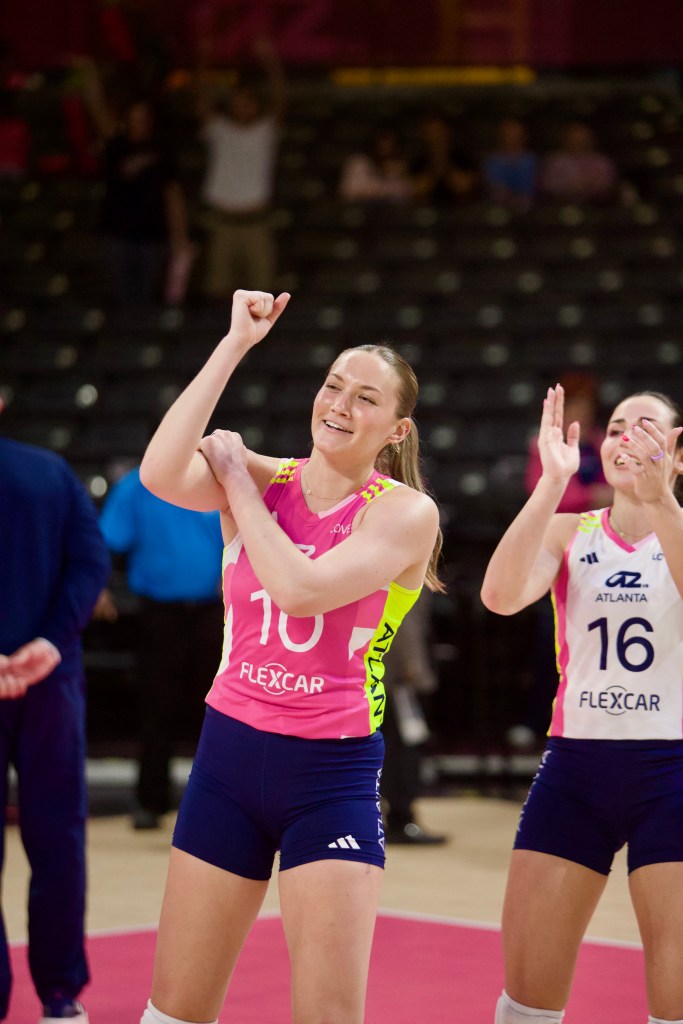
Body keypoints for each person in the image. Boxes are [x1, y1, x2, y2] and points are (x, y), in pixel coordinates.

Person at [135, 288, 443, 1024]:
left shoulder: (405, 512)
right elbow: (159, 473)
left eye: (365, 398)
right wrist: (234, 345)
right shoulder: (268, 478)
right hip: (228, 759)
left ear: (396, 428)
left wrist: (238, 485)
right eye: (333, 385)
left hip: (329, 774)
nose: (340, 404)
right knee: (172, 1011)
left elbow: (301, 592)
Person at [481, 384, 683, 1024]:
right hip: (575, 770)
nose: (628, 440)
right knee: (525, 1000)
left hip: (672, 773)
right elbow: (499, 597)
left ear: (678, 454)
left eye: (647, 430)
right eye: (617, 428)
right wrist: (550, 486)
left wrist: (662, 502)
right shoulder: (569, 532)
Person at [0, 397, 111, 1024]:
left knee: (59, 839)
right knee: (58, 838)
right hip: (52, 678)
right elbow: (91, 563)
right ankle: (61, 996)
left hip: (46, 676)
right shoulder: (50, 472)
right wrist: (50, 642)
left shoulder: (49, 472)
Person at [98, 466, 224, 830]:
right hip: (159, 612)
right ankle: (150, 802)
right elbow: (107, 541)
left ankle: (217, 805)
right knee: (156, 706)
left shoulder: (219, 479)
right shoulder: (137, 486)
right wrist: (99, 586)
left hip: (215, 611)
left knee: (218, 709)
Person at [508, 372, 613, 749]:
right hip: (561, 555)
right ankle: (536, 718)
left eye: (586, 406)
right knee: (549, 642)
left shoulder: (603, 444)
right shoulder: (546, 448)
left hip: (605, 554)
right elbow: (545, 496)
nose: (580, 413)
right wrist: (592, 495)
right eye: (574, 406)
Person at [74, 55, 193, 306]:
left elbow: (173, 195)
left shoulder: (162, 151)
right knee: (120, 297)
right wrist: (89, 75)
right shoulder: (116, 145)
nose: (139, 123)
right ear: (126, 119)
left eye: (144, 118)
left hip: (153, 237)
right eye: (134, 118)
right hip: (117, 234)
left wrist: (179, 237)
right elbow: (96, 107)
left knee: (147, 298)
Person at [196, 37, 286, 301]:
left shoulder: (265, 131)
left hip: (256, 224)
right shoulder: (219, 129)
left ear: (256, 104)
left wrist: (270, 61)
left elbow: (281, 99)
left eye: (248, 101)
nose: (243, 105)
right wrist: (204, 59)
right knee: (217, 292)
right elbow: (201, 99)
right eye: (238, 100)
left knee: (262, 296)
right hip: (222, 223)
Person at [381, 590, 447, 845]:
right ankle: (402, 819)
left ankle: (398, 818)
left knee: (395, 750)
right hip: (396, 680)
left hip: (383, 677)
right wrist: (414, 669)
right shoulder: (402, 569)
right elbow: (405, 623)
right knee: (402, 752)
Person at [410, 110, 478, 204]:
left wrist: (445, 164)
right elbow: (419, 190)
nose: (435, 137)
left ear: (447, 131)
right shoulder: (418, 161)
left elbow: (464, 188)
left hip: (460, 209)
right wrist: (434, 165)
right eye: (430, 133)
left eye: (438, 132)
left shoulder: (463, 157)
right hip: (427, 209)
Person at [540, 120, 617, 204]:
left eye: (582, 139)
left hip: (595, 206)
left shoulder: (602, 162)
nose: (578, 142)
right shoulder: (555, 162)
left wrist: (581, 189)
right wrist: (574, 188)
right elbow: (548, 186)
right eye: (574, 139)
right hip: (560, 205)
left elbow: (605, 187)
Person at [339, 126, 412, 204]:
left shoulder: (397, 167)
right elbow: (349, 192)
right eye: (383, 141)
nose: (386, 146)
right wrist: (383, 190)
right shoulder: (358, 162)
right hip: (359, 209)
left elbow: (406, 193)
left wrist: (395, 173)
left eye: (391, 143)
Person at [483, 116, 538, 212]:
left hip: (529, 208)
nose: (511, 138)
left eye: (515, 134)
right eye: (508, 134)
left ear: (523, 136)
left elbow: (532, 187)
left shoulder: (531, 161)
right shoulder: (493, 161)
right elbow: (495, 187)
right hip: (498, 208)